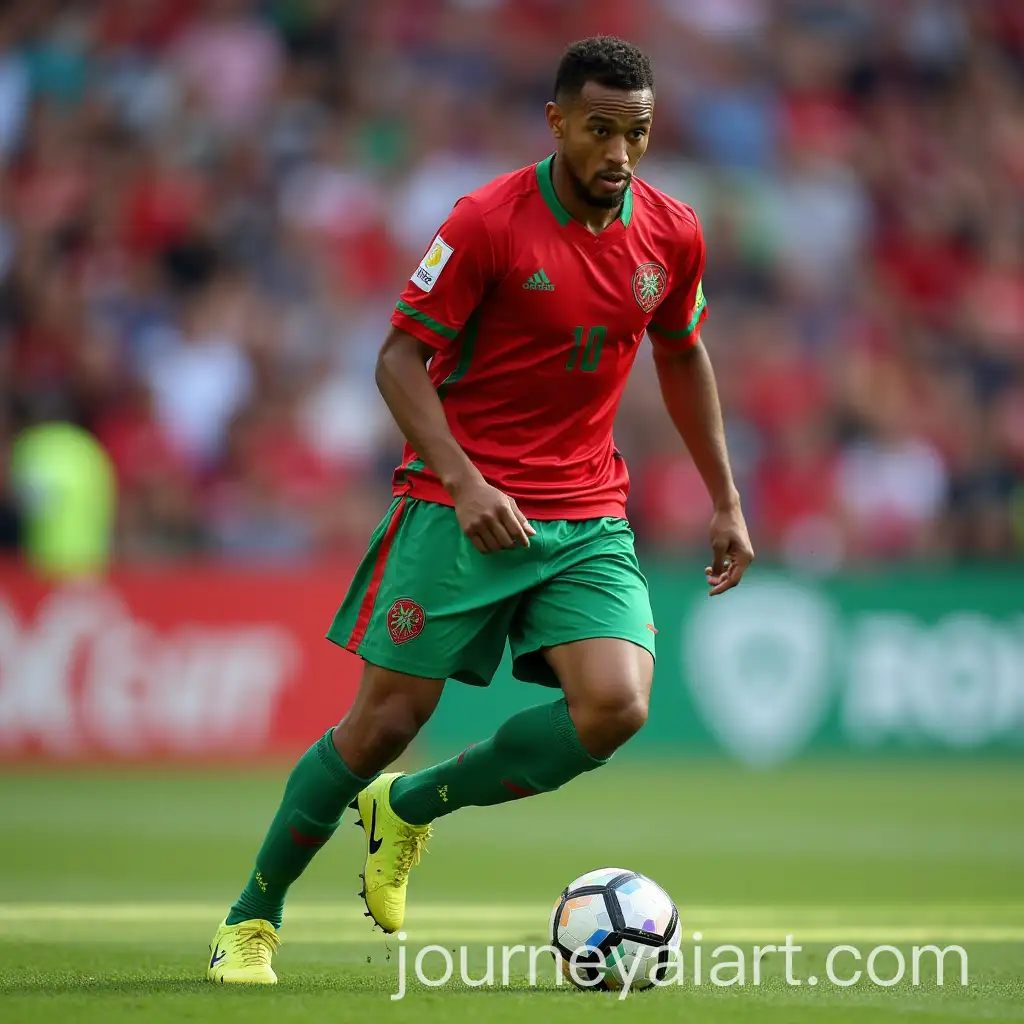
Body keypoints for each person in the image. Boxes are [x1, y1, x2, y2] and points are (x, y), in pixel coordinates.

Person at [207, 35, 754, 985]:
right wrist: (463, 480)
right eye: (599, 129)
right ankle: (252, 919)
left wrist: (725, 498)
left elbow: (681, 354)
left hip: (585, 513)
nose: (619, 152)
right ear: (556, 122)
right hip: (456, 505)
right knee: (379, 724)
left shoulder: (672, 232)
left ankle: (409, 807)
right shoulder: (487, 221)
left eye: (637, 131)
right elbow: (395, 360)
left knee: (616, 708)